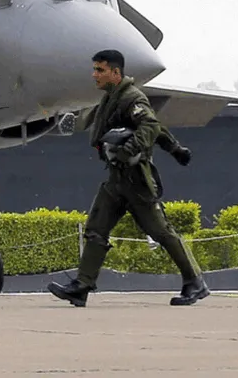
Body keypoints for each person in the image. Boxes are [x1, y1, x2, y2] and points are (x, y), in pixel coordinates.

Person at [47, 49, 208, 307]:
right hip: (116, 179)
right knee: (96, 229)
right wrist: (174, 149)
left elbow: (150, 126)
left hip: (135, 179)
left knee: (161, 232)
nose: (94, 75)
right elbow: (155, 125)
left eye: (100, 70)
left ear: (115, 72)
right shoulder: (112, 97)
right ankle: (82, 285)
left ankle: (195, 282)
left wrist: (130, 150)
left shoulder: (131, 97)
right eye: (94, 69)